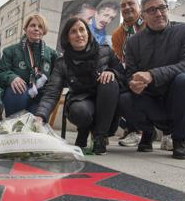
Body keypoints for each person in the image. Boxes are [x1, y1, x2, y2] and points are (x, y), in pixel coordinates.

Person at [119, 0, 185, 159]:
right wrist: (134, 83)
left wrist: (152, 75)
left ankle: (179, 139)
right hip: (149, 99)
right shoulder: (134, 42)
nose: (158, 13)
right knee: (124, 98)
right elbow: (130, 73)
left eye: (162, 8)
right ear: (143, 15)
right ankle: (147, 133)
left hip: (178, 97)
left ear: (167, 9)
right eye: (151, 10)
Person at [35, 17, 122, 155]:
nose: (79, 34)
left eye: (82, 29)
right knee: (80, 111)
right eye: (73, 31)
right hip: (81, 100)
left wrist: (112, 72)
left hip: (107, 100)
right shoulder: (62, 62)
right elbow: (52, 92)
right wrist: (40, 116)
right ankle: (83, 130)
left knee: (110, 81)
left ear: (88, 32)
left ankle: (100, 137)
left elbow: (123, 75)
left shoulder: (106, 51)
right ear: (67, 37)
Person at [0, 14, 58, 116]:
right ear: (25, 28)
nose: (36, 29)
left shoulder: (52, 54)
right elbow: (0, 74)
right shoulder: (10, 51)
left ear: (44, 31)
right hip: (17, 95)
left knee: (34, 126)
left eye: (40, 27)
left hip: (40, 96)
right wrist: (12, 77)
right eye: (32, 25)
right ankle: (13, 125)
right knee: (17, 91)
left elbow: (58, 77)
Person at [111, 0, 145, 148]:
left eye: (131, 4)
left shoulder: (149, 23)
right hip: (129, 72)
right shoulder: (117, 34)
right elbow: (119, 58)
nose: (126, 7)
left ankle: (168, 134)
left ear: (139, 7)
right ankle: (132, 130)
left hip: (152, 70)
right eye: (123, 5)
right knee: (117, 90)